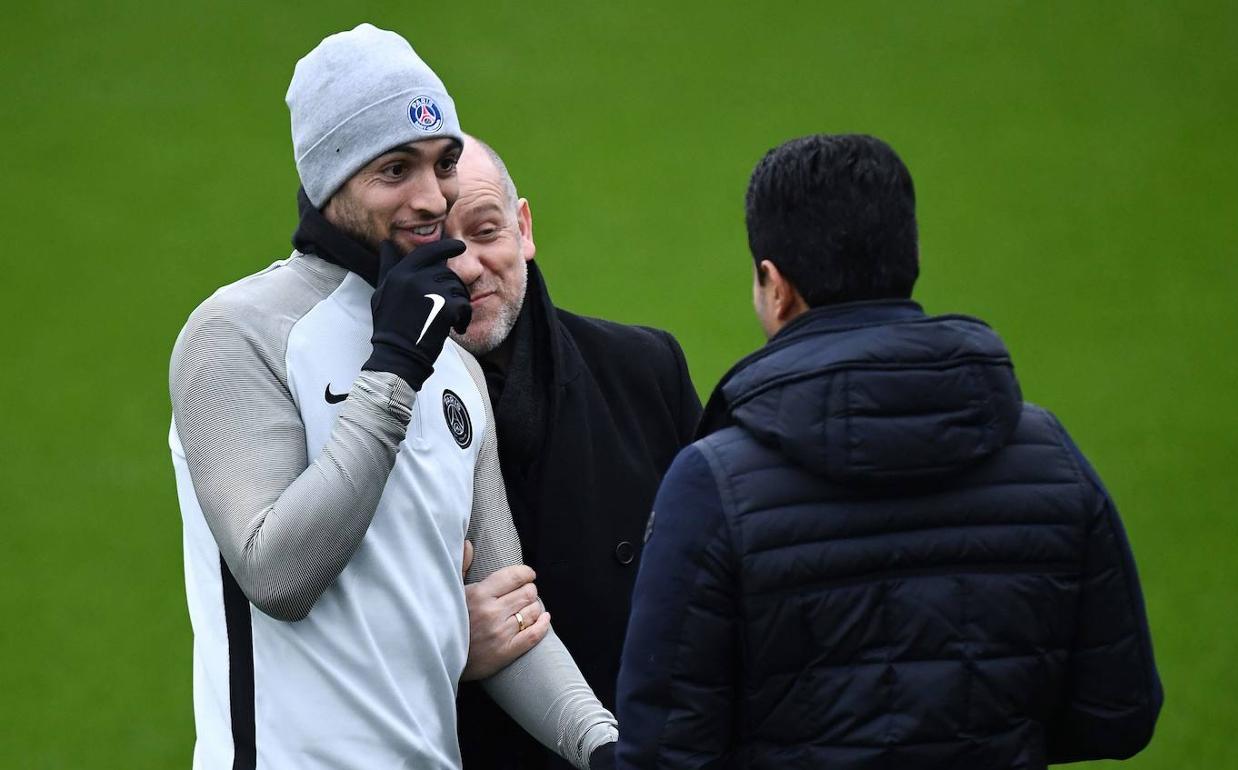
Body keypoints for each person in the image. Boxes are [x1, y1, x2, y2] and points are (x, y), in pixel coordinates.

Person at [616, 134, 1163, 769]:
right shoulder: (1051, 458)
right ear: (911, 256)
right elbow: (1119, 716)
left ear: (775, 284)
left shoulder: (711, 484)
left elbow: (663, 753)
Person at [169, 24, 615, 769]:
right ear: (329, 179)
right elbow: (277, 576)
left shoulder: (457, 365)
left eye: (441, 164)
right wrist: (395, 367)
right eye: (394, 170)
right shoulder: (236, 334)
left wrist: (604, 746)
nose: (430, 198)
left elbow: (511, 620)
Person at [443, 136, 702, 769]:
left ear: (524, 227)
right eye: (439, 248)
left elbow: (724, 584)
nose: (469, 267)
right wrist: (445, 641)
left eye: (486, 232)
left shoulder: (645, 371)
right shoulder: (371, 418)